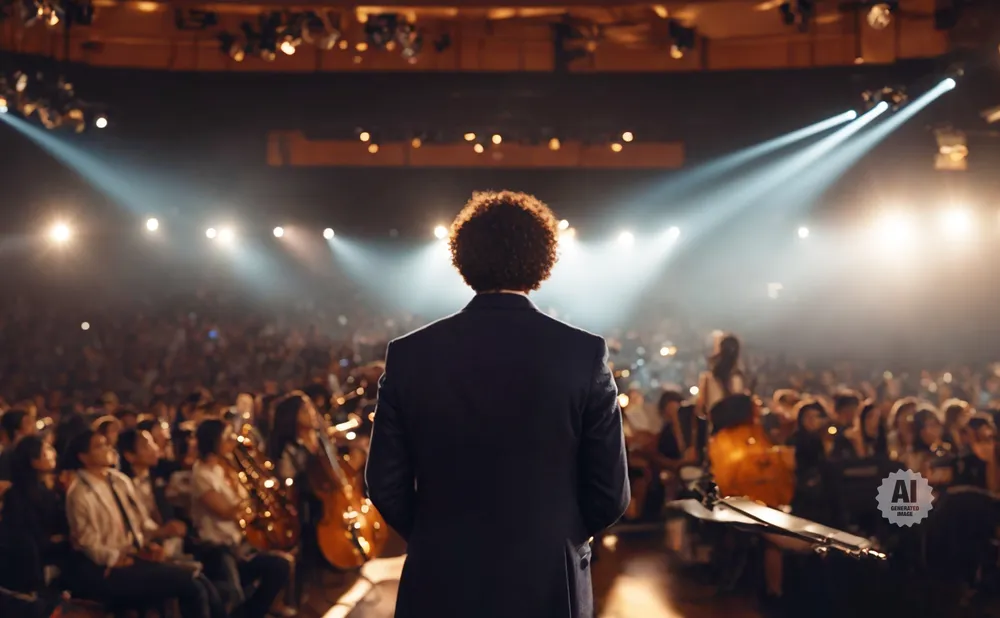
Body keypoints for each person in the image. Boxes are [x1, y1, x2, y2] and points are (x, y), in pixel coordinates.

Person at [366, 191, 630, 618]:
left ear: (463, 258)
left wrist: (436, 536)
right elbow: (610, 493)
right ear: (542, 258)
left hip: (441, 576)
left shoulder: (410, 354)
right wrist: (556, 536)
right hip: (546, 579)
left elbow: (384, 482)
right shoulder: (583, 353)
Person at [63, 429, 211, 618]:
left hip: (136, 557)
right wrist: (117, 557)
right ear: (83, 457)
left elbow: (138, 522)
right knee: (191, 584)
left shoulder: (120, 481)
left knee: (200, 579)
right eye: (99, 446)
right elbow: (88, 542)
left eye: (107, 443)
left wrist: (152, 540)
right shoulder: (80, 493)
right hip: (109, 568)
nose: (108, 448)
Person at [191, 419, 291, 618]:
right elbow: (226, 511)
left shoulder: (224, 469)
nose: (233, 441)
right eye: (227, 437)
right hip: (217, 548)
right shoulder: (201, 474)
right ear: (213, 441)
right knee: (233, 594)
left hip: (239, 542)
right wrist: (248, 503)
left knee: (281, 565)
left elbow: (241, 506)